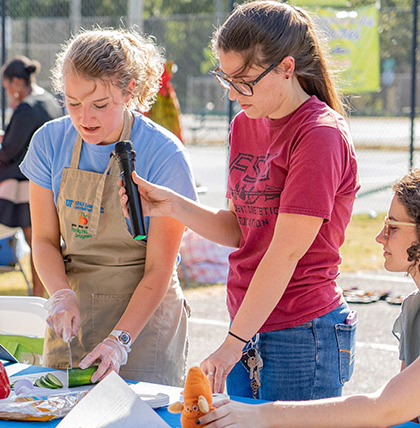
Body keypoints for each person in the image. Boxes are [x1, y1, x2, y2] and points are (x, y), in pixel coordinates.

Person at [122, 1, 359, 400]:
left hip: (301, 331)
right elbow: (238, 230)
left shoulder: (319, 135)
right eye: (225, 78)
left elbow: (283, 254)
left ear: (287, 67)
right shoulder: (245, 123)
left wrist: (233, 343)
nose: (233, 94)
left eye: (244, 80)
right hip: (249, 323)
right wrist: (173, 206)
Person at [196, 168, 420, 428]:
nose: (380, 236)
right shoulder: (415, 307)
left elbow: (384, 408)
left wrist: (262, 415)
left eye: (392, 226)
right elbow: (409, 418)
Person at [20, 29, 197, 385]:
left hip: (144, 324)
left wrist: (120, 340)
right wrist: (60, 294)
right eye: (72, 103)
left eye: (99, 105)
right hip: (73, 318)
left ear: (128, 91)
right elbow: (42, 241)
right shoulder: (48, 142)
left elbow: (160, 269)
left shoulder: (164, 154)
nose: (85, 118)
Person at [0, 56, 63, 297]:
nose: (8, 91)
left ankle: (38, 295)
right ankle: (50, 293)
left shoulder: (26, 107)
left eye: (8, 86)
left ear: (17, 82)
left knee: (37, 243)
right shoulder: (48, 100)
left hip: (29, 184)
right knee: (48, 241)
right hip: (54, 178)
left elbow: (11, 149)